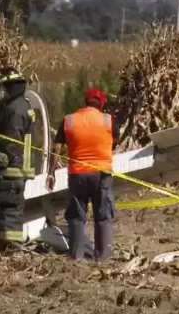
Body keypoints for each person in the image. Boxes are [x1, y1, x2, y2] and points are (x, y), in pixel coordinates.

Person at [46, 87, 118, 261]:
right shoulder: (108, 120)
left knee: (77, 217)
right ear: (102, 104)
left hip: (77, 174)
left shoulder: (69, 120)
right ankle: (103, 258)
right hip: (101, 174)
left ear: (84, 102)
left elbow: (56, 147)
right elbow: (114, 143)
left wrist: (51, 172)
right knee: (103, 215)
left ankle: (76, 257)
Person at [0, 66, 36, 250]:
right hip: (19, 169)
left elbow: (11, 142)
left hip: (12, 169)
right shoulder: (24, 105)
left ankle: (11, 248)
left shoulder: (15, 110)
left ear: (9, 87)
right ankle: (10, 246)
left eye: (1, 88)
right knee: (11, 209)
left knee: (9, 210)